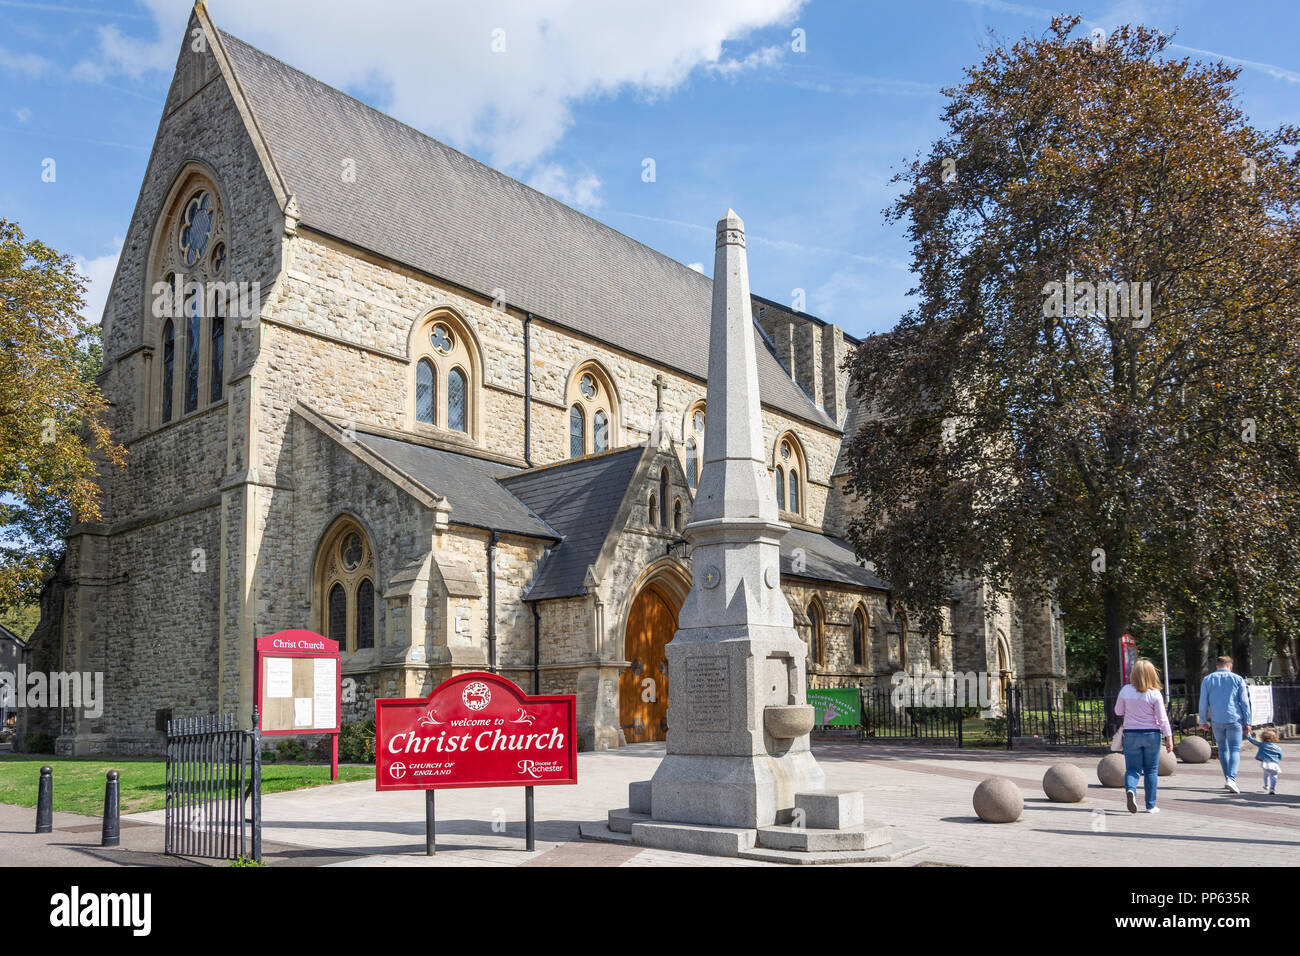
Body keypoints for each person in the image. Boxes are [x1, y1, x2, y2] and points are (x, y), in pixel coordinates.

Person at [1114, 659, 1174, 813]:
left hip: (1131, 734)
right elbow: (1162, 719)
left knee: (1132, 769)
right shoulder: (1155, 694)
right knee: (1151, 770)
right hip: (1151, 734)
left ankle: (1131, 790)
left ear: (1134, 674)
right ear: (1152, 674)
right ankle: (1150, 805)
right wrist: (1169, 737)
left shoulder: (1125, 690)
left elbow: (1118, 711)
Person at [1198, 656, 1252, 793]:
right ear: (1231, 666)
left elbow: (1203, 702)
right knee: (1234, 749)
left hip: (1217, 719)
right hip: (1234, 718)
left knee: (1222, 749)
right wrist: (1248, 721)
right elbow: (1245, 702)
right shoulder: (1237, 679)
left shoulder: (1207, 679)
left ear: (1217, 666)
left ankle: (1227, 778)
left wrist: (1203, 721)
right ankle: (1231, 779)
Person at [1244, 728, 1282, 794]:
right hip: (1274, 764)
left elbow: (1253, 741)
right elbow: (1280, 755)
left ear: (1262, 738)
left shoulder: (1262, 745)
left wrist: (1248, 735)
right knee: (1274, 776)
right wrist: (1278, 759)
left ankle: (1266, 785)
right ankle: (1272, 789)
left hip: (1266, 763)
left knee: (1266, 775)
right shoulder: (1278, 748)